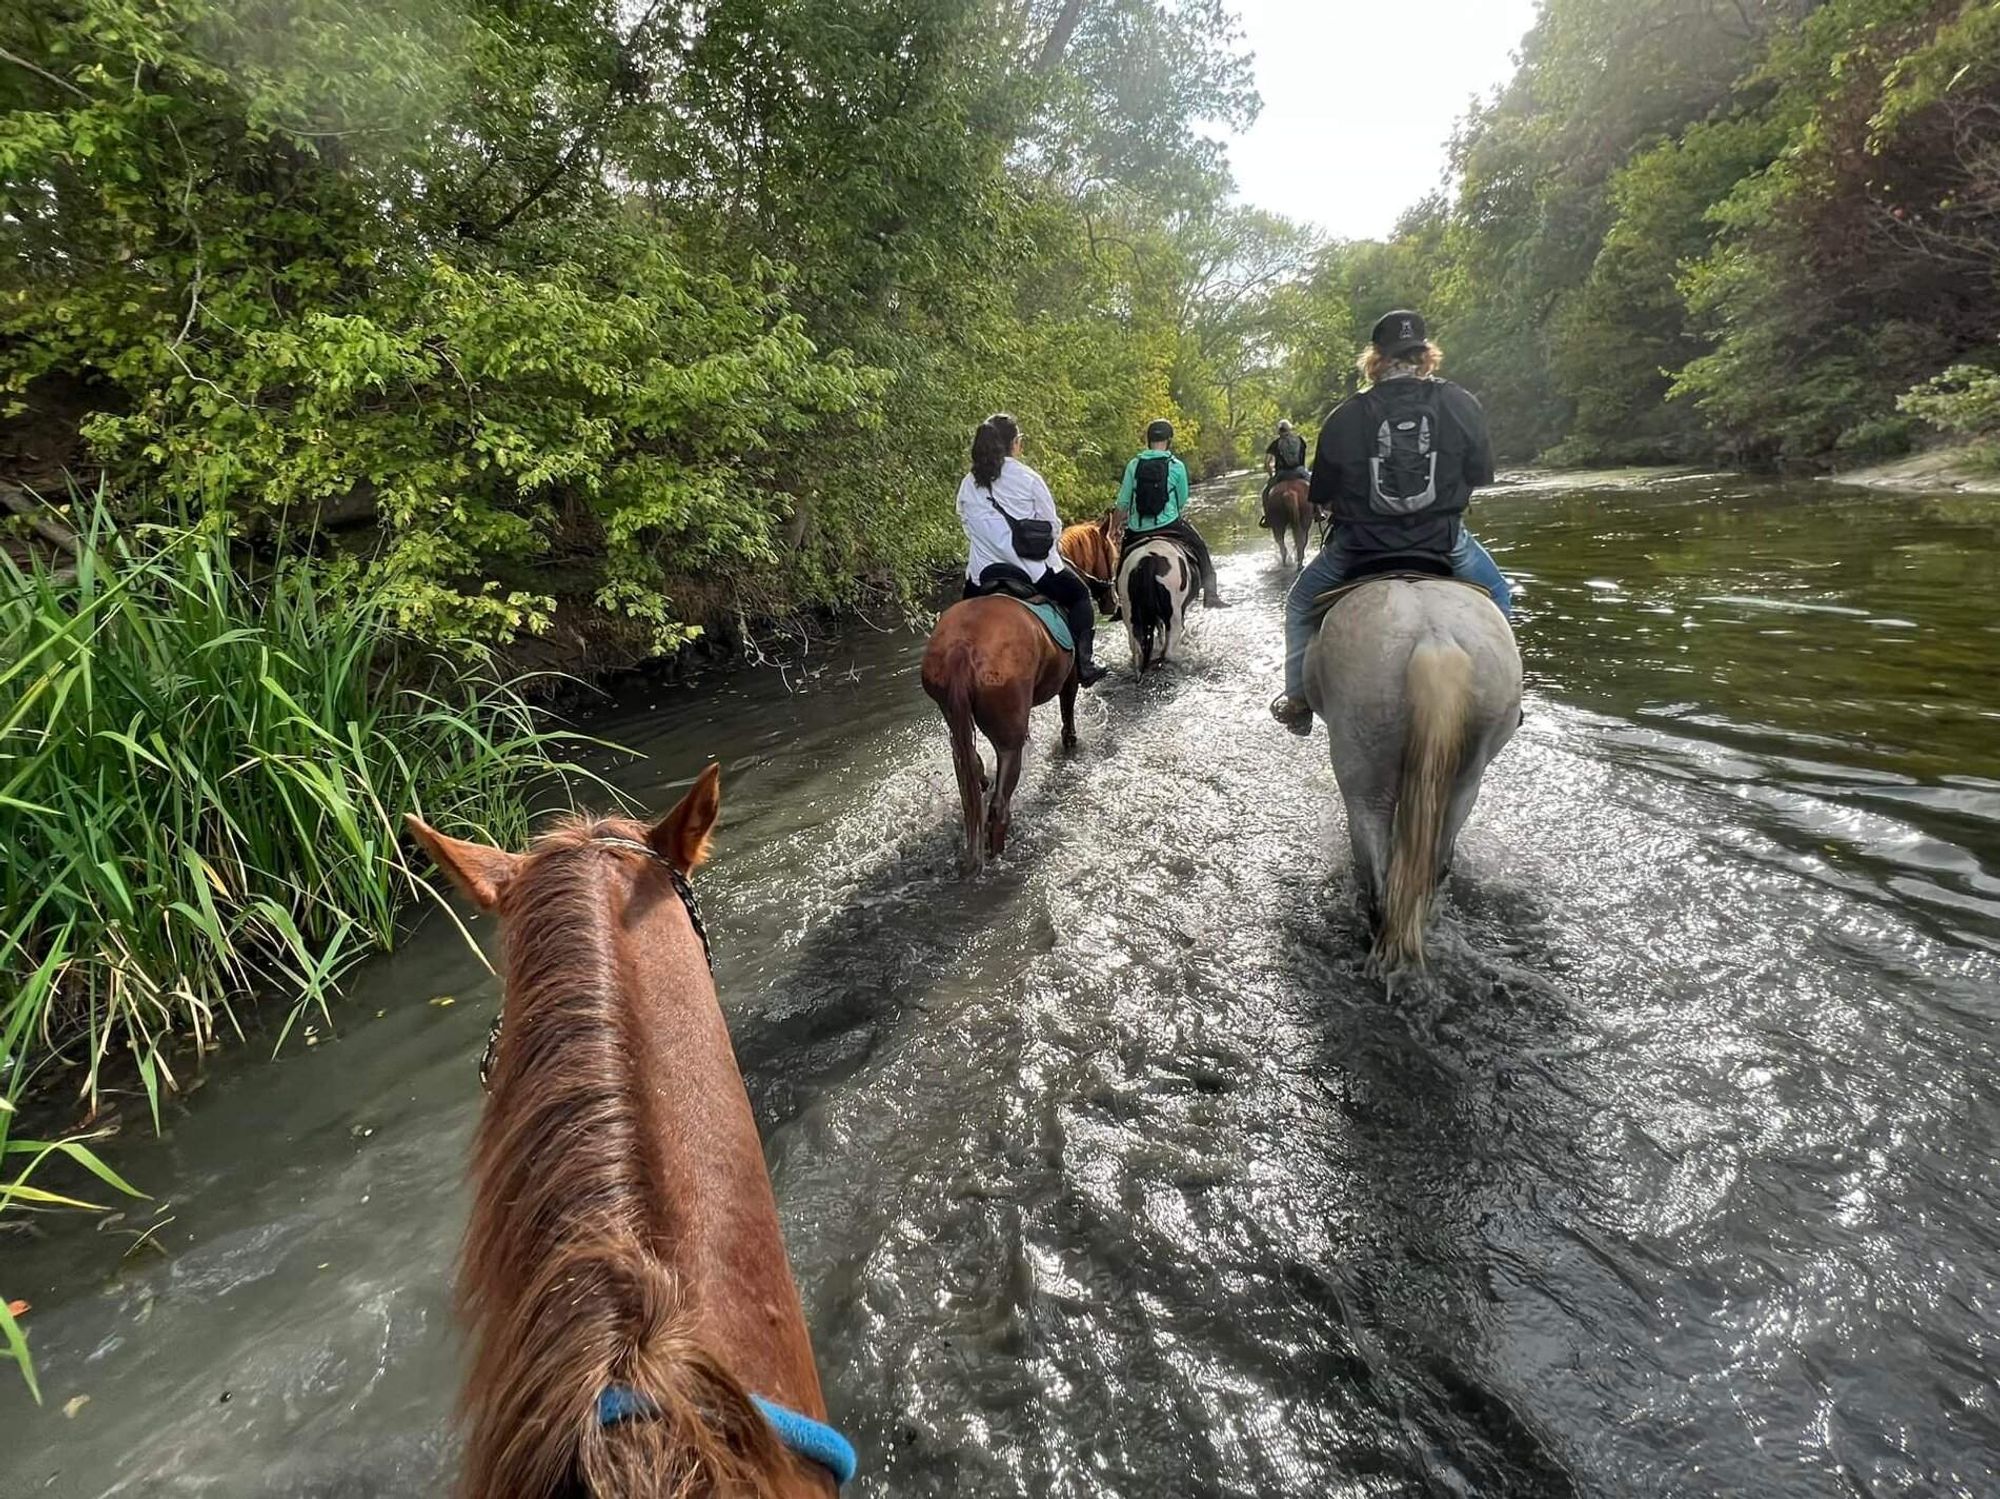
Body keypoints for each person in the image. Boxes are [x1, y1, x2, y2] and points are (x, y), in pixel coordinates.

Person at [1269, 310, 1513, 735]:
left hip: (1358, 547)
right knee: (1500, 596)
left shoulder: (1345, 416)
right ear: (1425, 355)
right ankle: (1512, 701)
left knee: (1298, 605)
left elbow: (1322, 494)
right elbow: (1479, 475)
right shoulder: (1460, 402)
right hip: (1444, 542)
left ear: (1376, 359)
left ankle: (1297, 700)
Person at [957, 412, 1107, 686]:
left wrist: (992, 544)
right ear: (1015, 443)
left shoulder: (968, 483)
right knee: (1080, 595)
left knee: (959, 624)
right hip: (1031, 571)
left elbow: (966, 525)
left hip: (982, 576)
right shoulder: (1028, 478)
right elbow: (1052, 526)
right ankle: (1085, 665)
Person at [1113, 419, 1230, 608]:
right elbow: (1182, 500)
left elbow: (1123, 503)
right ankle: (1211, 595)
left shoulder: (1134, 465)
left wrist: (1114, 528)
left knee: (1122, 562)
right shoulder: (1176, 466)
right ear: (1169, 440)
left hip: (1137, 529)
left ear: (1148, 440)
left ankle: (1120, 602)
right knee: (1200, 549)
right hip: (1170, 525)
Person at [1259, 419, 1311, 523]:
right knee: (1315, 486)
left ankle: (1267, 518)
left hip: (1281, 474)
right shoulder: (1300, 440)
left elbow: (1267, 463)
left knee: (1265, 493)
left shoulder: (1275, 444)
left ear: (1279, 431)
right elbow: (1302, 456)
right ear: (1290, 429)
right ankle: (1319, 511)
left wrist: (1271, 476)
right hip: (1299, 471)